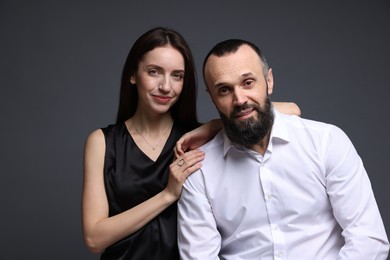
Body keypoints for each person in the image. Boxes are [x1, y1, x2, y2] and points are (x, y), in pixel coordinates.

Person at [82, 27, 301, 259]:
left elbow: (292, 110)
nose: (166, 86)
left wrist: (213, 126)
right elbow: (94, 238)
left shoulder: (198, 139)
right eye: (154, 72)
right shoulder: (102, 142)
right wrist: (167, 195)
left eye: (177, 75)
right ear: (133, 74)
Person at [177, 39, 389, 259]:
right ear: (212, 97)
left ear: (269, 81)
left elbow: (368, 240)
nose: (239, 100)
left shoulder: (326, 142)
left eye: (248, 82)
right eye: (224, 90)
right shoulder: (200, 171)